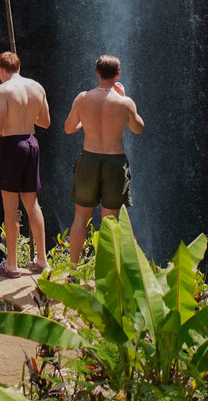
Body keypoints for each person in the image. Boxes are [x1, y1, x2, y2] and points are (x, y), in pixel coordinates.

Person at [64, 53, 145, 266]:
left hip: (88, 160)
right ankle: (106, 273)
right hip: (114, 163)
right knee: (110, 221)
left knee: (80, 218)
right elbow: (138, 129)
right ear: (118, 75)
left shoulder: (82, 98)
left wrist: (84, 124)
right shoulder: (125, 102)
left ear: (97, 72)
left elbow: (69, 128)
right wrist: (126, 99)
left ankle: (73, 269)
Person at [0, 50, 50, 276]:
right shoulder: (37, 87)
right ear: (18, 67)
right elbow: (45, 122)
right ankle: (41, 260)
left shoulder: (4, 90)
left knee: (11, 207)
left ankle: (12, 264)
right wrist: (27, 116)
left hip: (13, 145)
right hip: (32, 143)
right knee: (32, 203)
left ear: (1, 69)